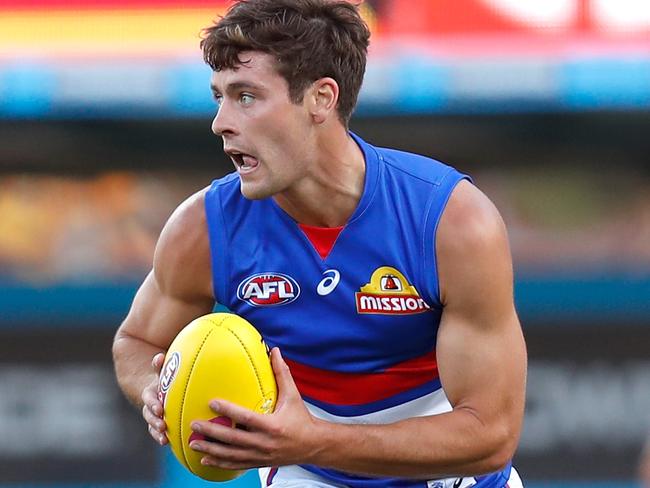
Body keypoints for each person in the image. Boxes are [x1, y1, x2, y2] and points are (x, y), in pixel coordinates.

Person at [112, 1, 527, 487]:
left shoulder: (450, 221)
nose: (220, 122)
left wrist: (315, 438)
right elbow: (137, 341)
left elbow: (492, 434)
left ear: (321, 99)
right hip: (306, 472)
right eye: (219, 97)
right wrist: (156, 392)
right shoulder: (203, 227)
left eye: (246, 96)